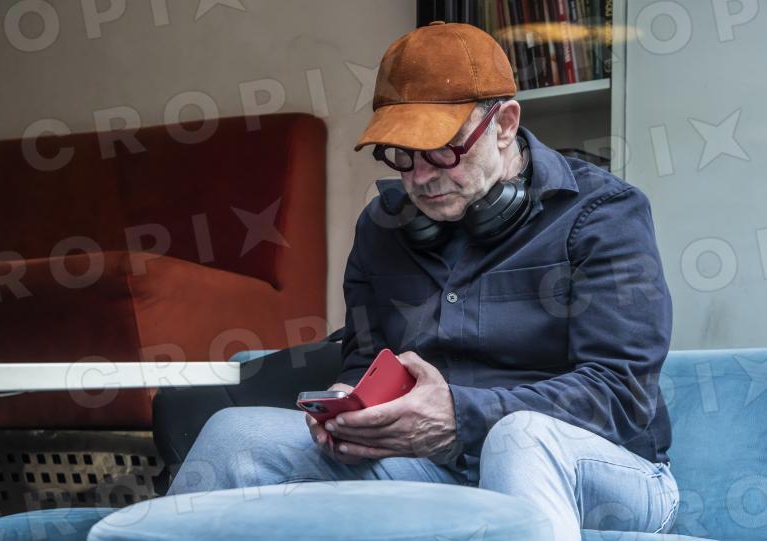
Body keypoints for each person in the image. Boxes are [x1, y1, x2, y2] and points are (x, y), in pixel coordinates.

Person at [167, 21, 679, 540]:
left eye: (441, 149)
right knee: (235, 434)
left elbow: (621, 393)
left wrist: (461, 415)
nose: (420, 177)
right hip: (439, 467)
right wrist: (351, 405)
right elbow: (366, 359)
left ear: (504, 125)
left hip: (604, 469)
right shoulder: (381, 227)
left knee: (518, 438)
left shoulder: (603, 214)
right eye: (401, 155)